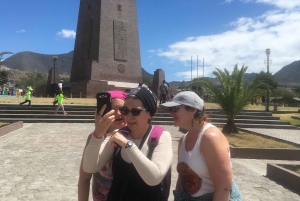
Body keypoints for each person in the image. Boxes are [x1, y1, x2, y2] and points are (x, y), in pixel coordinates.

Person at [83, 87, 173, 201]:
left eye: (136, 111)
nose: (129, 116)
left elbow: (154, 178)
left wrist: (128, 145)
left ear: (149, 113)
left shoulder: (160, 136)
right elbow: (90, 167)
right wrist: (98, 135)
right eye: (125, 111)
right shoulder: (120, 134)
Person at [161, 91, 242, 201]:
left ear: (193, 110)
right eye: (171, 109)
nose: (171, 113)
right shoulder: (183, 139)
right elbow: (182, 177)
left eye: (175, 109)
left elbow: (224, 188)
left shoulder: (210, 138)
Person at [78, 90, 126, 201]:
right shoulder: (94, 138)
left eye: (122, 109)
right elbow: (84, 179)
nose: (118, 114)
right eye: (113, 110)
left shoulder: (134, 135)